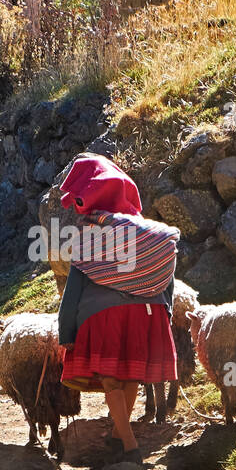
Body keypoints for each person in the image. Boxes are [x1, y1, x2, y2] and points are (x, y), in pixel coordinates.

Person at [55, 155, 179, 454]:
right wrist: (167, 312)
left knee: (111, 379)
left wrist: (66, 334)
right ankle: (117, 434)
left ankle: (129, 444)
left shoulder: (90, 236)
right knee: (131, 373)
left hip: (105, 317)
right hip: (147, 312)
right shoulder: (147, 232)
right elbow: (168, 276)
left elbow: (73, 290)